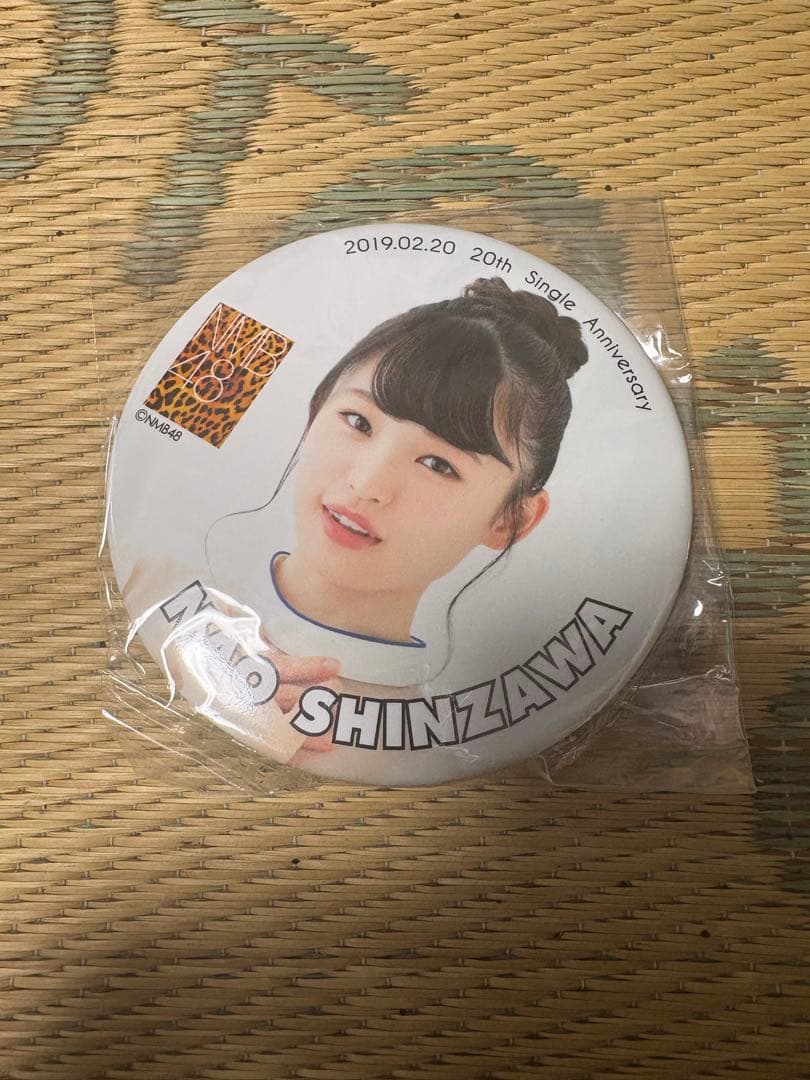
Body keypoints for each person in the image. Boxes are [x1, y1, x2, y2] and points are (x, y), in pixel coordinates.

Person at [200, 276, 589, 762]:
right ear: (316, 407)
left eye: (438, 464)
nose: (367, 484)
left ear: (510, 521)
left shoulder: (443, 747)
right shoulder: (155, 587)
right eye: (358, 421)